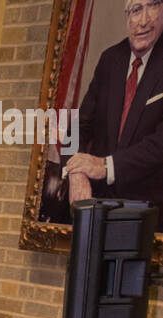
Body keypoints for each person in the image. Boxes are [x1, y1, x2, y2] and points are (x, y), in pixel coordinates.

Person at [64, 0, 163, 208]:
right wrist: (77, 171)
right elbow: (76, 129)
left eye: (152, 6)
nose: (143, 21)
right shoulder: (110, 60)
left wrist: (106, 166)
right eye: (136, 10)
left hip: (150, 212)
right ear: (126, 16)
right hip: (99, 204)